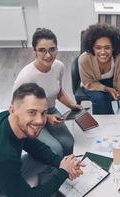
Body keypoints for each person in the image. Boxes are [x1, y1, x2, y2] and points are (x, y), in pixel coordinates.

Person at [0, 83, 84, 197]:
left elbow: (37, 149)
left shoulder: (11, 120)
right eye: (32, 112)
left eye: (43, 113)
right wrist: (63, 172)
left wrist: (64, 164)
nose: (40, 120)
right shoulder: (3, 156)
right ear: (12, 110)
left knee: (50, 155)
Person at [13, 28, 82, 157]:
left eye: (52, 49)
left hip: (50, 110)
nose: (48, 55)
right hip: (31, 117)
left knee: (69, 143)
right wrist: (46, 117)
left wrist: (72, 105)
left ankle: (66, 170)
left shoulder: (59, 66)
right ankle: (51, 172)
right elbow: (17, 109)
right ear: (34, 51)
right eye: (42, 50)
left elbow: (58, 91)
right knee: (55, 149)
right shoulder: (26, 77)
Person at [78, 23, 120, 114]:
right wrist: (107, 89)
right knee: (100, 98)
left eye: (107, 48)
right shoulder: (84, 59)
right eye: (98, 48)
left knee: (107, 98)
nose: (103, 52)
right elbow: (88, 83)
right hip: (91, 84)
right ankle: (106, 125)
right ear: (92, 48)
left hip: (112, 82)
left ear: (113, 48)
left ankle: (110, 124)